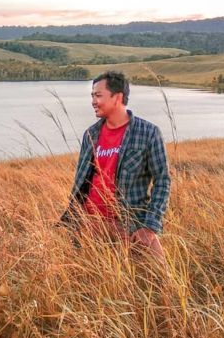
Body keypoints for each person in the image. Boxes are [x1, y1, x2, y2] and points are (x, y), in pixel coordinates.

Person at [60, 71, 170, 260]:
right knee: (91, 283)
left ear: (117, 97)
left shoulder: (148, 133)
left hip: (129, 225)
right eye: (92, 95)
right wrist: (76, 221)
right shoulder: (91, 134)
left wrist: (150, 226)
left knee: (162, 280)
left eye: (98, 95)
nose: (93, 101)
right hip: (89, 223)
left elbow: (163, 181)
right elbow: (82, 182)